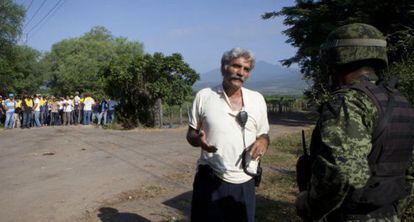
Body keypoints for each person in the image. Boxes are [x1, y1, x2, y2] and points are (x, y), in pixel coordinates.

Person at [295, 23, 414, 221]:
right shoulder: (400, 102)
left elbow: (343, 173)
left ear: (335, 59)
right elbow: (408, 172)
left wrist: (308, 204)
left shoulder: (347, 101)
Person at [186, 48, 270, 222]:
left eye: (246, 69)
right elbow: (191, 134)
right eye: (236, 66)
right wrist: (198, 141)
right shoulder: (204, 96)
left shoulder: (257, 99)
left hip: (245, 179)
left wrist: (263, 141)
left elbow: (264, 134)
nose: (241, 73)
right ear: (223, 67)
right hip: (210, 177)